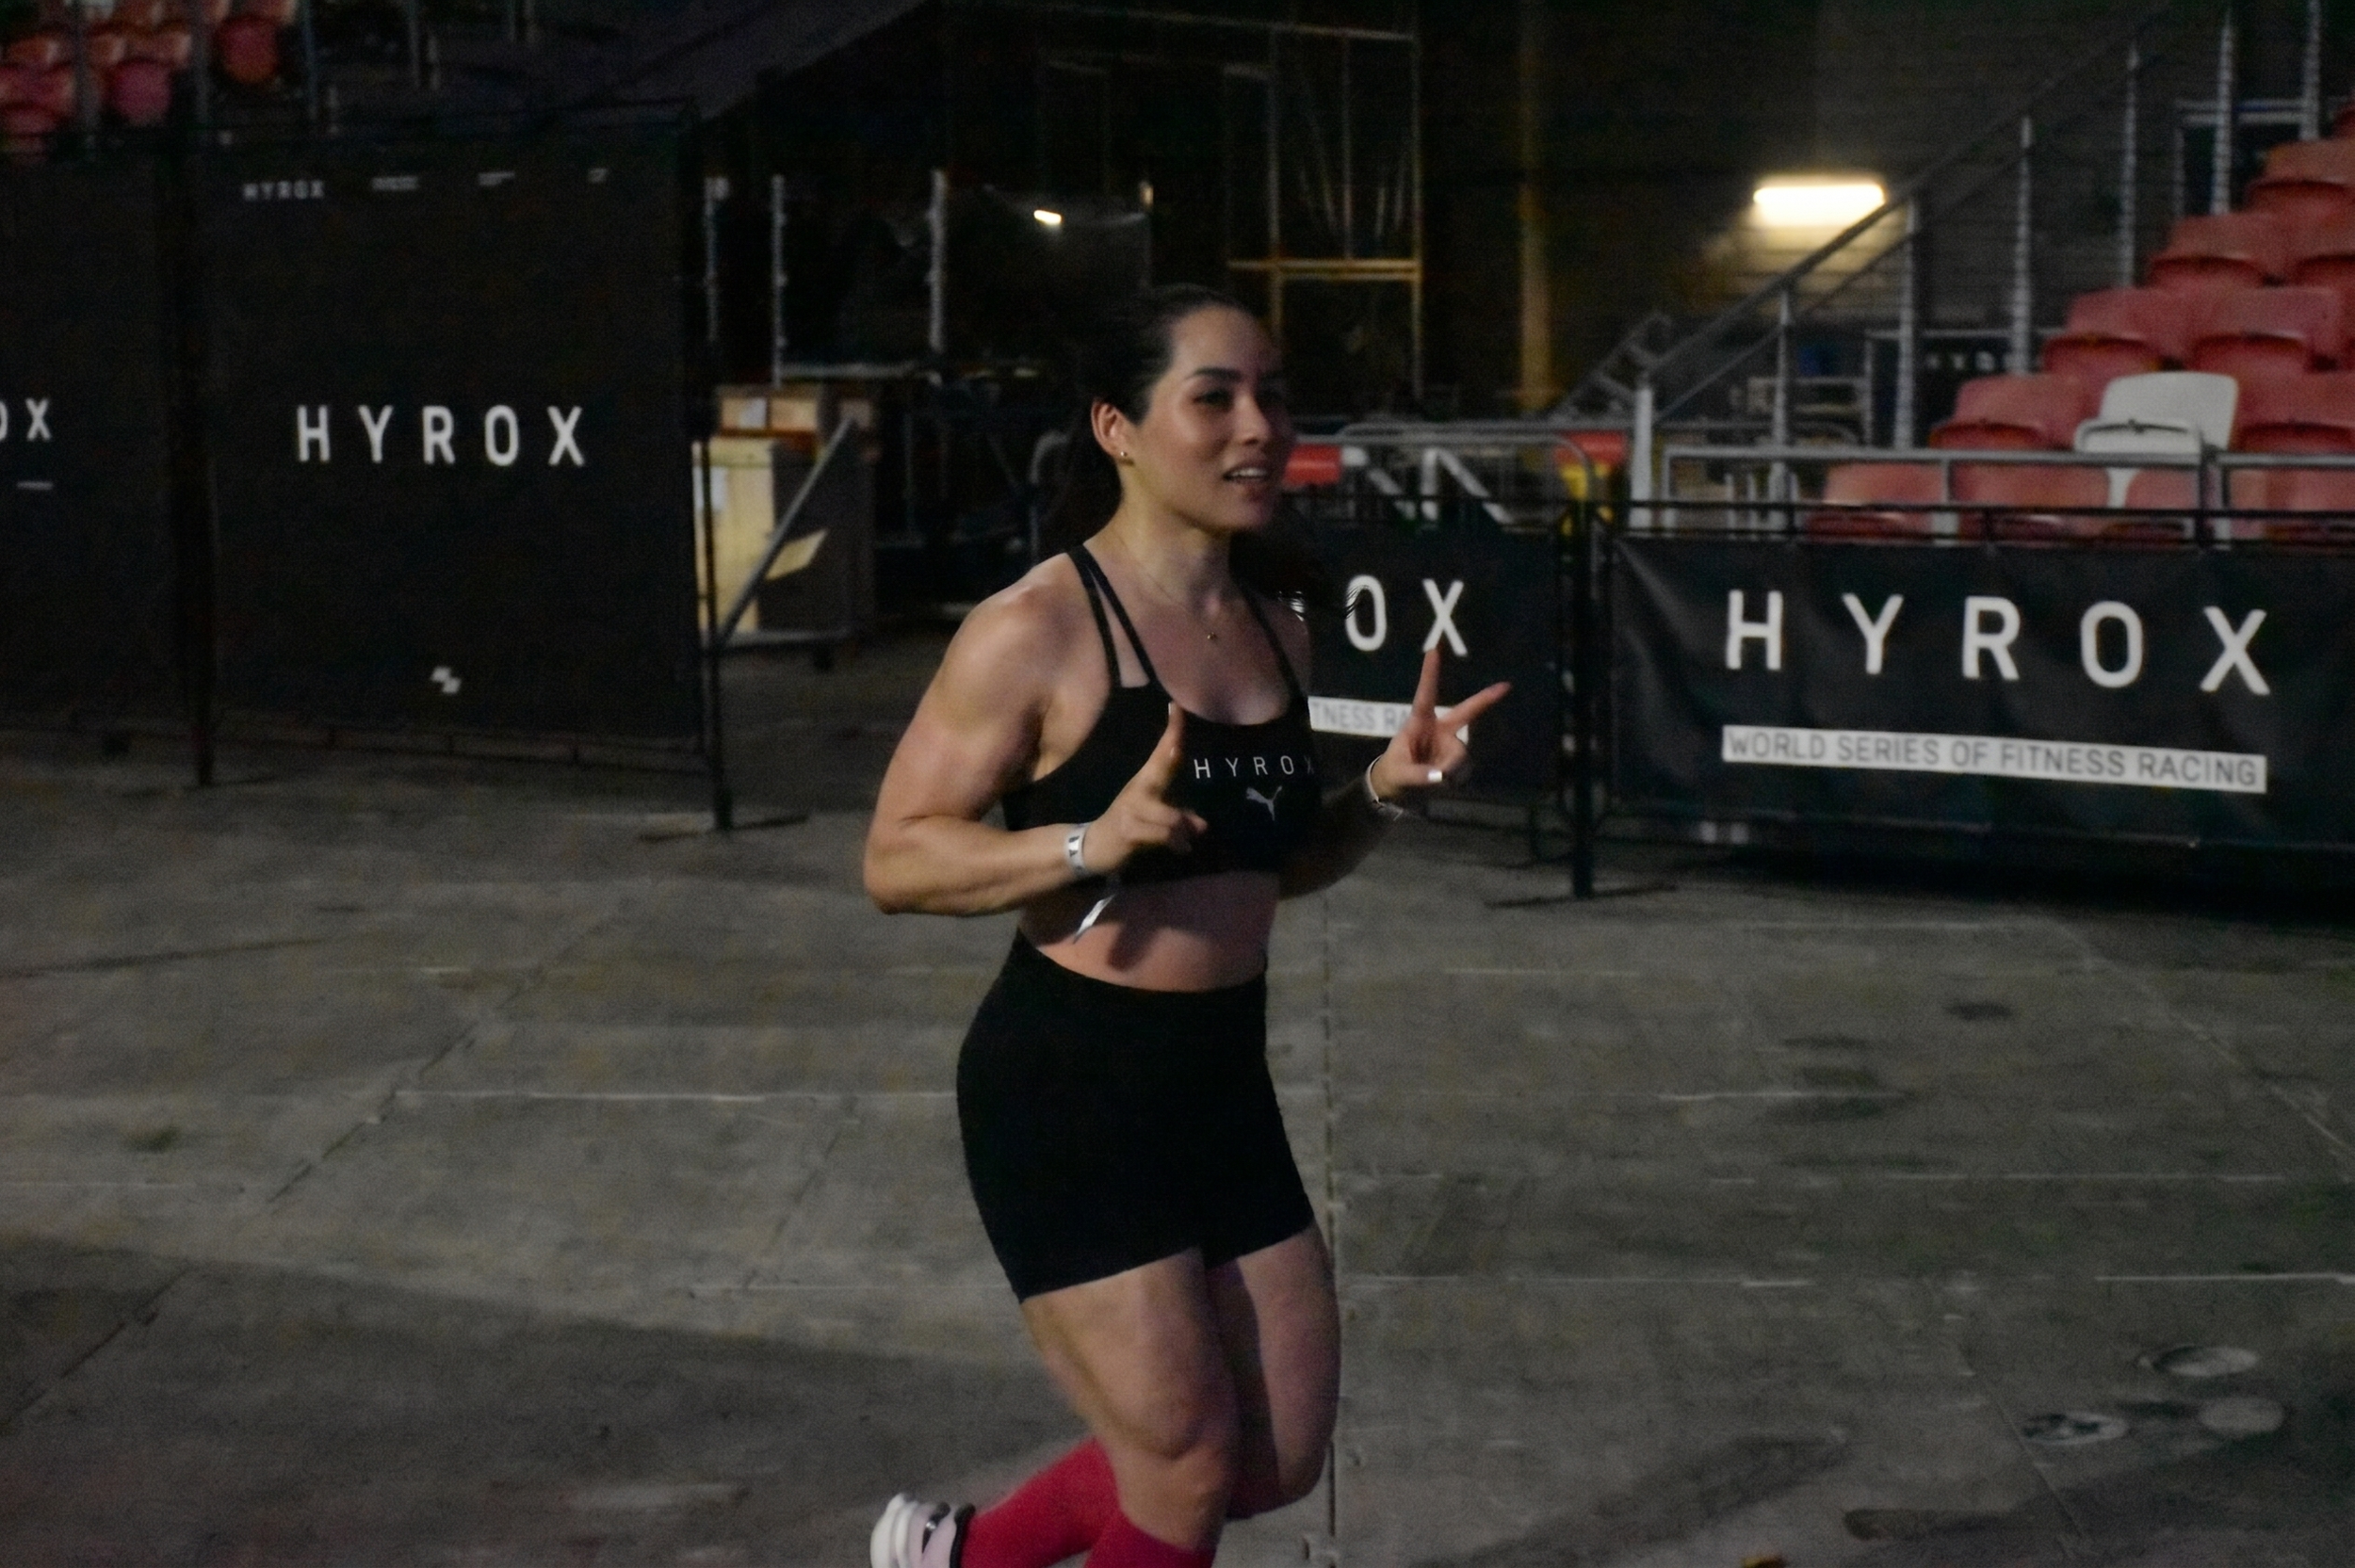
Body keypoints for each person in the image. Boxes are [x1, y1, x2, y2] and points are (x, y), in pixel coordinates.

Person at [861, 283, 1508, 1568]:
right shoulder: (1035, 629)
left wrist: (1381, 790)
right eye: (1213, 398)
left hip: (1220, 1082)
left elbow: (1269, 875)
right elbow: (895, 857)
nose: (1258, 426)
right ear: (1117, 427)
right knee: (1182, 1469)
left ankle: (958, 1559)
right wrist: (1089, 843)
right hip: (1070, 1084)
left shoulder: (1280, 625)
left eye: (1272, 394)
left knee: (1269, 1459)